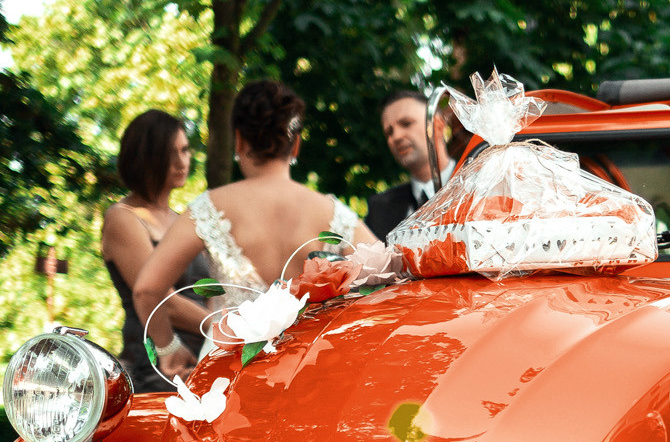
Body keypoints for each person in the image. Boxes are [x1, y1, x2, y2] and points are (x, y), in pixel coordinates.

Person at [135, 79, 379, 375]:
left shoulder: (208, 208)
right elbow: (388, 278)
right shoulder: (333, 213)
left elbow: (146, 290)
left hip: (227, 373)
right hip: (311, 370)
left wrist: (168, 349)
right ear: (296, 144)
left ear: (238, 140)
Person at [104, 111, 215, 392]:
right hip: (158, 363)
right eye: (169, 153)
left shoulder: (184, 219)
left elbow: (212, 291)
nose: (181, 161)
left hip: (205, 357)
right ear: (144, 157)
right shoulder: (123, 217)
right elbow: (163, 300)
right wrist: (228, 328)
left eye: (185, 150)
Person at [362, 89, 452, 242]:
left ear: (437, 125)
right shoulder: (379, 209)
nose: (396, 137)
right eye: (389, 132)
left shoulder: (481, 186)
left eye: (406, 124)